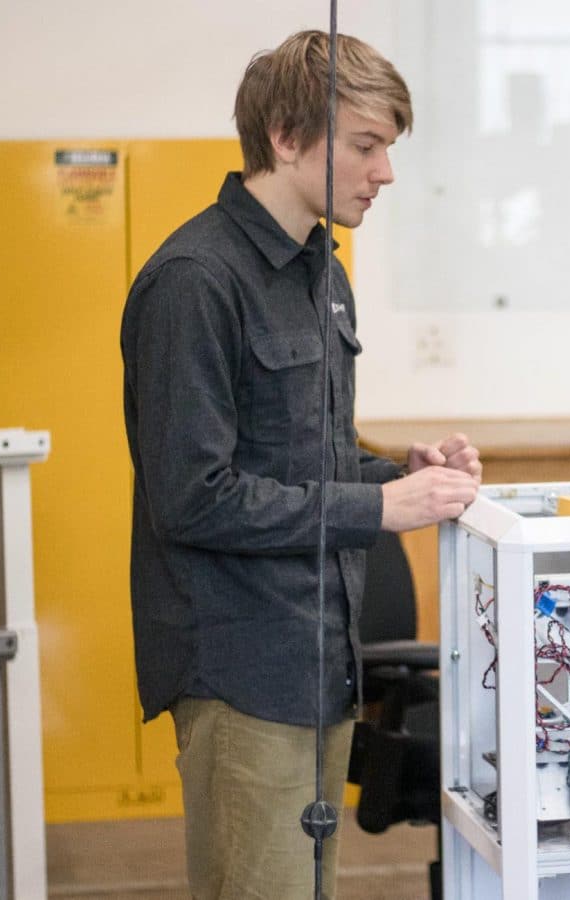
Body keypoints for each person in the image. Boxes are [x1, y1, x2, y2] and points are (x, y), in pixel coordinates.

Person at [120, 31, 480, 899]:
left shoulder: (322, 272)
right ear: (286, 137)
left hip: (321, 657)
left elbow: (302, 456)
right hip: (242, 671)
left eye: (387, 147)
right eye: (365, 145)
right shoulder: (194, 281)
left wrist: (397, 475)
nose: (384, 173)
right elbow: (194, 498)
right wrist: (380, 511)